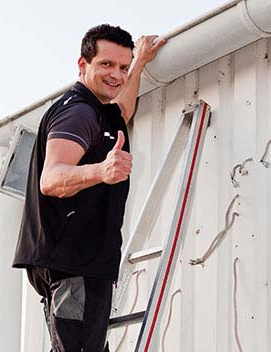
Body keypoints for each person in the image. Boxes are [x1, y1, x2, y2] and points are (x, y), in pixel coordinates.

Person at [13, 24, 166, 351]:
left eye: (122, 67)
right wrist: (102, 170)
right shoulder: (78, 113)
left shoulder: (99, 110)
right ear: (83, 66)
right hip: (74, 267)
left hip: (81, 264)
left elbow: (122, 109)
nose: (116, 74)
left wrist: (138, 64)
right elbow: (51, 179)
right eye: (106, 65)